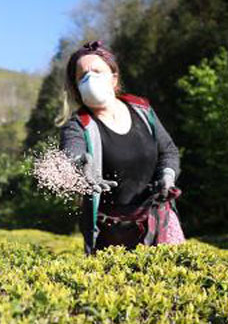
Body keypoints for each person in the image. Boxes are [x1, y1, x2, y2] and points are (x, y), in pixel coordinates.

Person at [57, 40, 184, 255]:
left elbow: (168, 151)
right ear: (77, 87)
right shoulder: (79, 126)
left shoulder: (142, 110)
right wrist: (81, 168)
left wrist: (168, 176)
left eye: (97, 71)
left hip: (159, 222)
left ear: (114, 78)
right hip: (113, 234)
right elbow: (70, 156)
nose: (90, 78)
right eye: (82, 76)